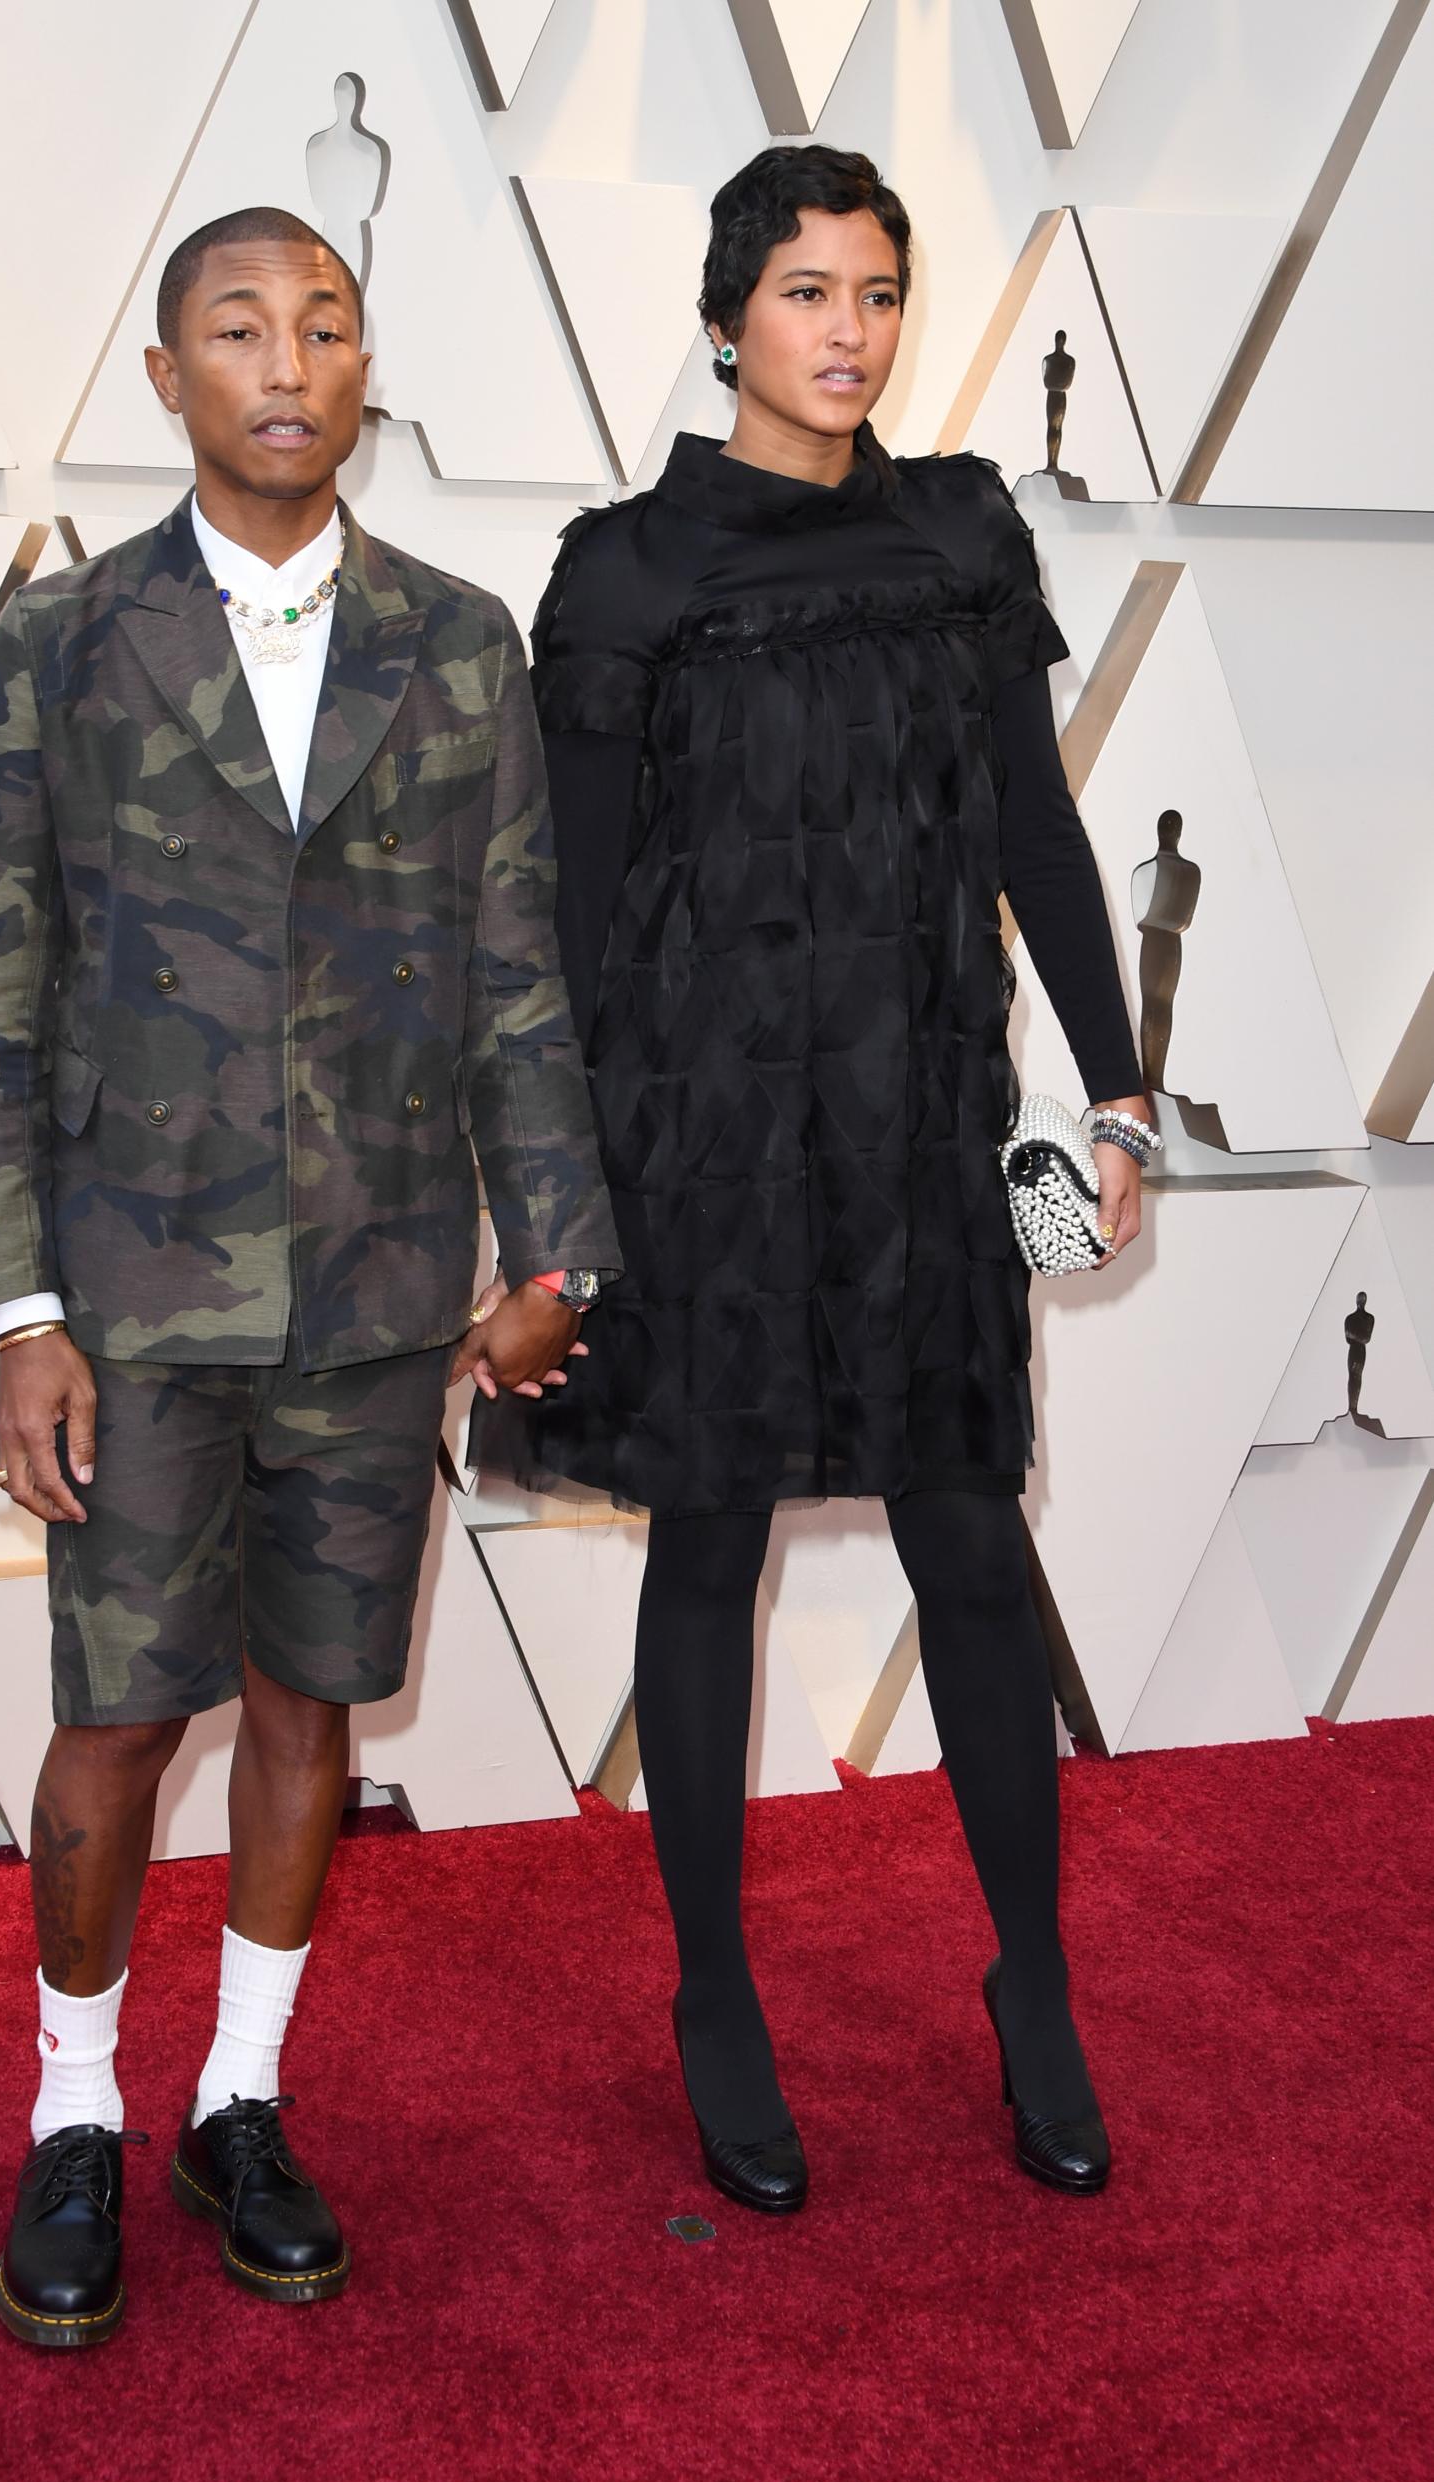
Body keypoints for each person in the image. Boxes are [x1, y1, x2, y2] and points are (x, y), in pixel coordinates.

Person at [0, 205, 619, 2346]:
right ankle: (73, 2111)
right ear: (168, 376)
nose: (288, 357)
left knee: (312, 1700)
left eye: (326, 322)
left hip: (377, 1286)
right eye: (239, 326)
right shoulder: (62, 641)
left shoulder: (460, 635)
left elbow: (520, 968)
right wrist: (20, 1307)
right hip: (130, 1299)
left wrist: (559, 1249)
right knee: (114, 1724)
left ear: (364, 364)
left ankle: (241, 2094)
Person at [477, 147, 1158, 2211]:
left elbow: (1035, 830)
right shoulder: (624, 571)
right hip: (694, 1153)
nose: (848, 328)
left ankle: (1032, 1981)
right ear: (725, 319)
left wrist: (1117, 1101)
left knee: (970, 1544)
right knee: (707, 1556)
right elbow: (574, 917)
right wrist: (547, 1218)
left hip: (916, 1128)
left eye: (875, 290)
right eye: (804, 290)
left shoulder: (960, 531)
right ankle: (713, 1994)